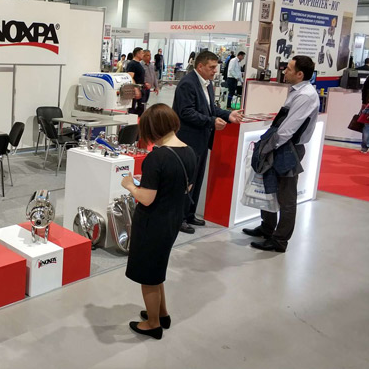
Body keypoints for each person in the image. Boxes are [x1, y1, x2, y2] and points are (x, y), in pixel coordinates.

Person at [121, 104, 196, 340]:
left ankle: (153, 324)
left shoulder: (156, 157)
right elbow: (187, 187)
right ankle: (162, 314)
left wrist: (130, 185)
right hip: (173, 219)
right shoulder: (190, 152)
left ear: (152, 129)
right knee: (157, 269)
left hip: (152, 222)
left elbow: (146, 198)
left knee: (148, 275)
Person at [243, 56, 320, 252]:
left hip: (288, 149)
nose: (284, 71)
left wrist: (269, 146)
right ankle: (267, 228)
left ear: (300, 74)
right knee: (269, 186)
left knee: (286, 195)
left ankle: (279, 240)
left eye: (289, 69)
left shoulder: (305, 96)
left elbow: (288, 130)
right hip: (282, 146)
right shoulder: (297, 91)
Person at [173, 51, 242, 233]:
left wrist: (228, 115)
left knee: (197, 178)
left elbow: (211, 109)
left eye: (215, 67)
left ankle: (189, 214)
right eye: (211, 67)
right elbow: (186, 112)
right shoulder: (187, 84)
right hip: (187, 140)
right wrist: (211, 122)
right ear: (200, 66)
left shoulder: (208, 84)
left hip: (202, 140)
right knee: (186, 180)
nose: (215, 71)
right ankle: (179, 218)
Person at [125, 47, 146, 116]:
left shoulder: (139, 64)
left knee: (141, 108)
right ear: (137, 54)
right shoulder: (132, 64)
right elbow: (130, 77)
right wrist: (136, 89)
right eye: (142, 53)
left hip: (141, 88)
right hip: (135, 89)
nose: (143, 55)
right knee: (132, 108)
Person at [359, 76, 369, 154]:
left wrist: (363, 102)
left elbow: (364, 90)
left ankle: (364, 147)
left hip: (367, 104)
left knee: (366, 126)